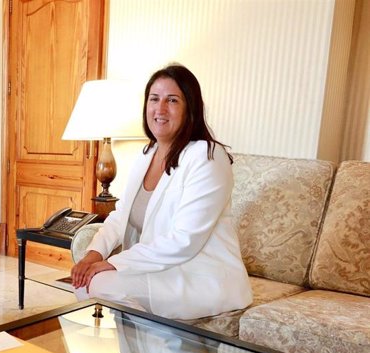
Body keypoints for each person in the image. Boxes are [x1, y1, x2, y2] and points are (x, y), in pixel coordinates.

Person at [71, 64, 252, 319]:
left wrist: (112, 263)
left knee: (99, 283)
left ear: (190, 108)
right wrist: (92, 256)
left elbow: (184, 240)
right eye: (154, 99)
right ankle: (139, 351)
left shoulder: (207, 156)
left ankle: (154, 347)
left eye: (173, 100)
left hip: (200, 277)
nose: (160, 109)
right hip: (160, 271)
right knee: (83, 280)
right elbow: (121, 215)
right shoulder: (147, 154)